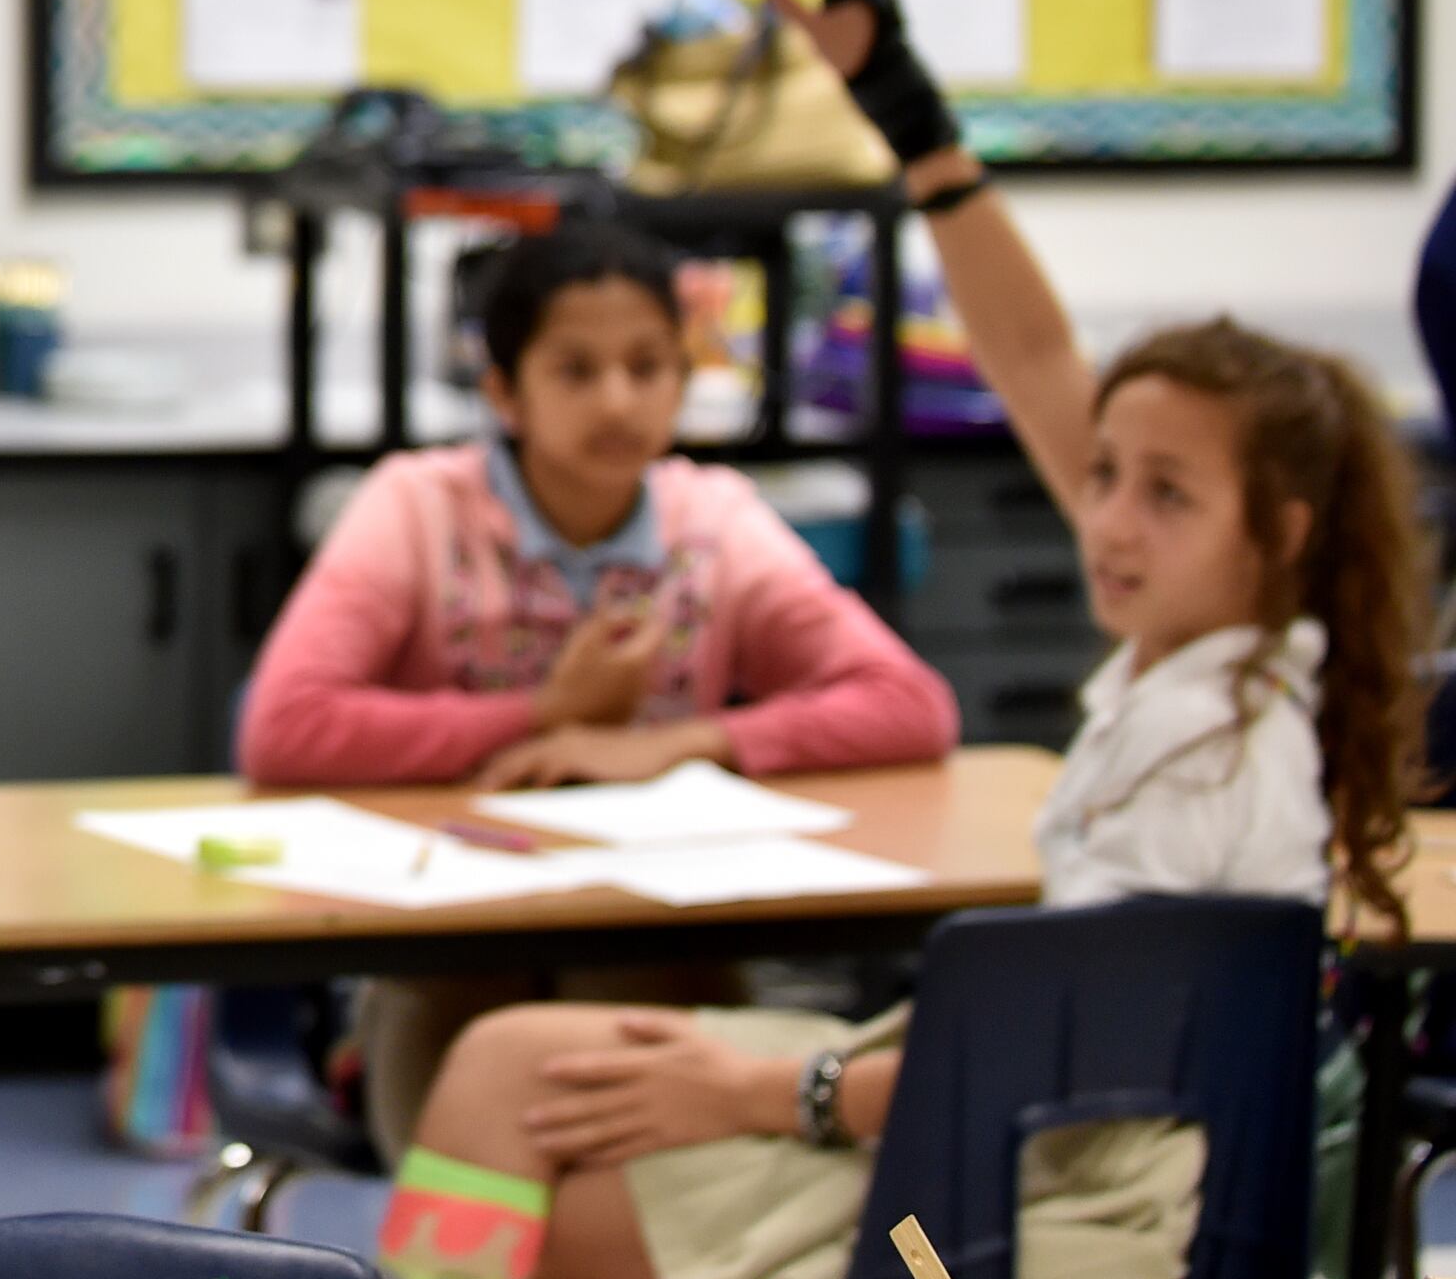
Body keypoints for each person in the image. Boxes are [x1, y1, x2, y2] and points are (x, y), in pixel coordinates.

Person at [367, 0, 1427, 1279]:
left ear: (1281, 533)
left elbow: (1067, 1070)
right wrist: (911, 116)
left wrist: (769, 1081)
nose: (1108, 519)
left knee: (490, 1199)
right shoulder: (1202, 641)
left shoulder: (1229, 750)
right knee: (497, 1066)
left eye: (1162, 495)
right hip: (982, 1128)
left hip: (1035, 1213)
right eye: (1105, 478)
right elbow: (1035, 352)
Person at [238, 214, 961, 1152]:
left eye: (649, 366)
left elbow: (909, 704)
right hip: (455, 938)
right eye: (576, 371)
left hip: (655, 933)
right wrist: (545, 712)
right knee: (472, 1131)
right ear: (504, 390)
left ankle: (617, 1264)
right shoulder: (417, 509)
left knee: (654, 1046)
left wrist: (683, 741)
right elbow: (285, 726)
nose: (618, 401)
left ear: (684, 377)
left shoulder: (713, 523)